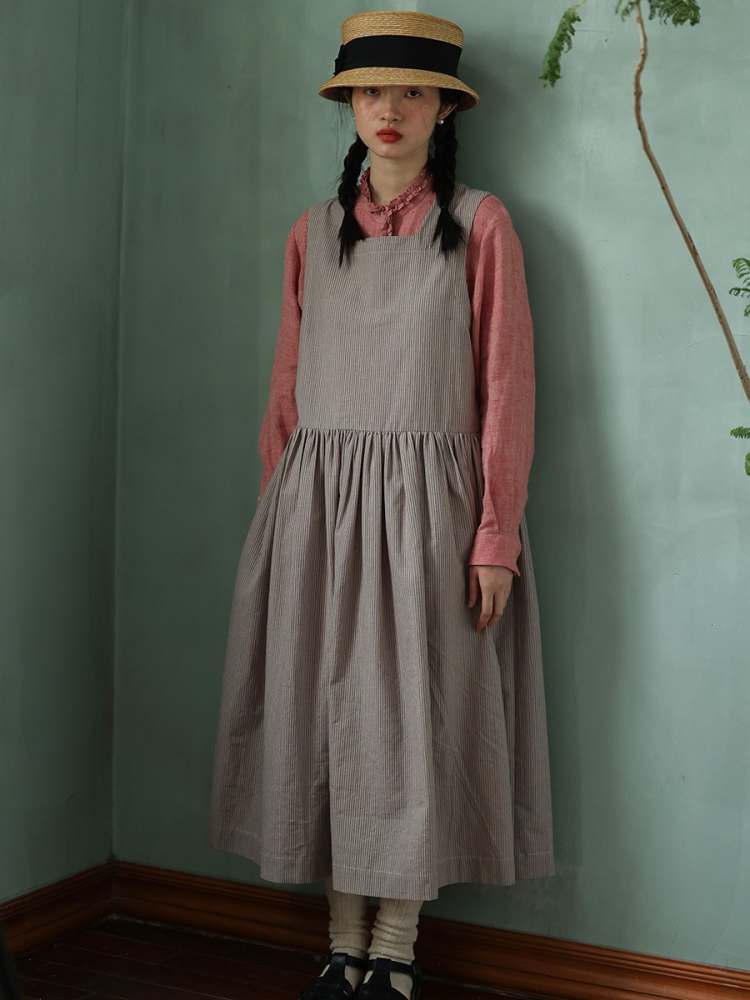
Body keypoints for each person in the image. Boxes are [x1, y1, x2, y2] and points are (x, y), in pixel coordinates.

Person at [207, 10, 556, 999]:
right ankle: (341, 943)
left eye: (410, 91)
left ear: (446, 108)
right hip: (316, 516)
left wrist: (493, 537)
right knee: (327, 724)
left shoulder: (482, 226)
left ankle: (395, 946)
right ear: (349, 105)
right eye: (369, 91)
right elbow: (286, 388)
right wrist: (279, 519)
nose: (388, 109)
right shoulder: (311, 232)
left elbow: (506, 387)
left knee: (409, 728)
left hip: (427, 519)